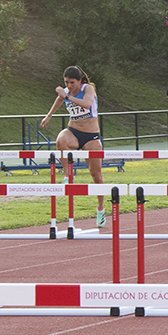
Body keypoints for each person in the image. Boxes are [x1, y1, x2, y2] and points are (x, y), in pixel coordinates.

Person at [39, 66, 107, 228]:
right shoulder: (66, 92)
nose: (69, 85)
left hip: (91, 137)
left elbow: (86, 103)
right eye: (66, 82)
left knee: (96, 176)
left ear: (80, 81)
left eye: (72, 82)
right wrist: (48, 116)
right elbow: (60, 99)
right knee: (60, 141)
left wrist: (67, 96)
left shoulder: (87, 89)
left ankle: (100, 209)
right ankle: (69, 175)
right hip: (74, 131)